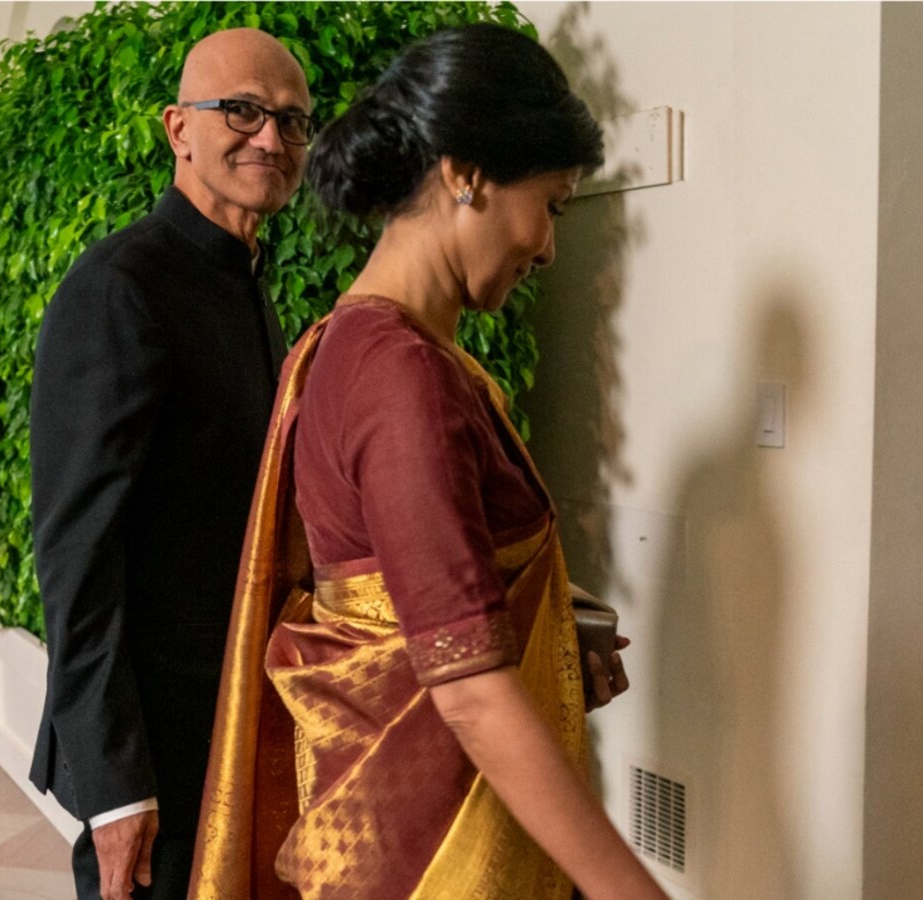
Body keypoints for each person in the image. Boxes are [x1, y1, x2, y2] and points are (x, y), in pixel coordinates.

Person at [189, 24, 669, 900]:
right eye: (553, 206)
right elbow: (470, 693)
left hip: (398, 829)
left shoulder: (366, 345)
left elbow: (408, 600)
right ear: (468, 173)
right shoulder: (401, 374)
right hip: (429, 859)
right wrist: (634, 891)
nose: (550, 247)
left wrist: (547, 624)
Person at [28, 28, 314, 900]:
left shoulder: (248, 283)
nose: (271, 137)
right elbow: (77, 555)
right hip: (159, 749)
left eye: (295, 122)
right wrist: (117, 787)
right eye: (242, 111)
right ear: (177, 129)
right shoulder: (120, 287)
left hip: (237, 721)